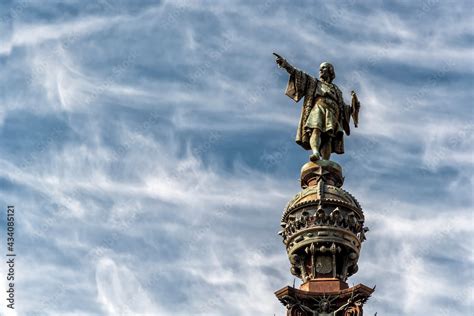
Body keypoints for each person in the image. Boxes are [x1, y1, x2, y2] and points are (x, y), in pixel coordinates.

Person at [274, 54, 360, 161]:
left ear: (330, 71)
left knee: (328, 138)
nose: (320, 70)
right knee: (316, 130)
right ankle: (315, 152)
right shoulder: (314, 83)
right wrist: (286, 65)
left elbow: (343, 109)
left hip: (333, 113)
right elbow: (299, 74)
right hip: (319, 108)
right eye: (320, 68)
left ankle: (325, 160)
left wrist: (353, 107)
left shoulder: (337, 90)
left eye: (323, 68)